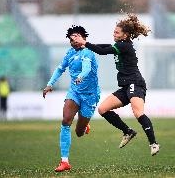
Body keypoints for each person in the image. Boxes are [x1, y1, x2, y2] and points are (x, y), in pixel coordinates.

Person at [72, 14, 160, 156]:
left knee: (138, 113)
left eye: (117, 32)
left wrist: (85, 43)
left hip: (135, 83)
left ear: (125, 35)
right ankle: (127, 131)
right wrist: (84, 44)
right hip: (125, 86)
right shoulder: (119, 45)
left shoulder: (124, 46)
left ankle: (153, 143)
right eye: (114, 31)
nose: (114, 34)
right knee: (103, 109)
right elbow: (104, 47)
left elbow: (102, 51)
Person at [43, 26, 100, 172]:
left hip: (90, 95)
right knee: (65, 121)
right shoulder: (70, 53)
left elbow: (86, 68)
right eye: (71, 39)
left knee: (79, 133)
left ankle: (84, 125)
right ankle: (64, 161)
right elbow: (60, 69)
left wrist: (81, 76)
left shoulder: (89, 52)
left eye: (75, 37)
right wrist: (50, 84)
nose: (73, 41)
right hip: (74, 92)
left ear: (83, 38)